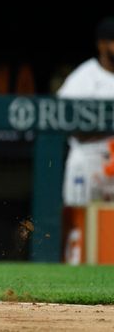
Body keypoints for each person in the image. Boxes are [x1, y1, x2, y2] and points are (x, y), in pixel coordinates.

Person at [57, 17, 114, 207]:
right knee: (80, 226)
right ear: (102, 45)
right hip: (88, 161)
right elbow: (60, 120)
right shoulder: (82, 78)